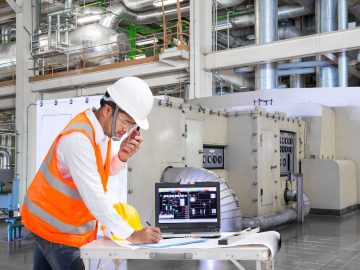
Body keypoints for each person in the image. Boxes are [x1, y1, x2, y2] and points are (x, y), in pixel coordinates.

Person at [21, 77, 162, 270]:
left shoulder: (100, 135)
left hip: (49, 223)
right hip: (57, 230)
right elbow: (95, 197)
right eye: (126, 122)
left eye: (131, 126)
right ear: (108, 111)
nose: (126, 130)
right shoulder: (79, 140)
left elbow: (100, 172)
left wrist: (121, 157)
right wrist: (132, 234)